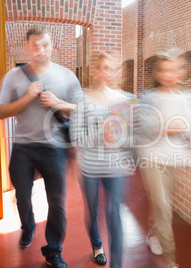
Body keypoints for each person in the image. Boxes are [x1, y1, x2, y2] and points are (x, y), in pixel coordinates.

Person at [0, 26, 82, 268]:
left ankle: (53, 251)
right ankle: (28, 225)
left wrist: (58, 102)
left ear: (51, 45)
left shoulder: (66, 75)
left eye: (45, 44)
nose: (41, 50)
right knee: (22, 198)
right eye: (35, 45)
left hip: (54, 148)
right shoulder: (14, 76)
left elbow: (82, 108)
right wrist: (26, 97)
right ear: (28, 47)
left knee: (57, 202)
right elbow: (1, 112)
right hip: (23, 147)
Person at [136, 50, 191, 268]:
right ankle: (170, 259)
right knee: (163, 206)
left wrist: (167, 124)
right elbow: (148, 127)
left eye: (174, 69)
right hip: (151, 157)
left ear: (182, 72)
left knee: (162, 203)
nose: (169, 74)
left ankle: (153, 233)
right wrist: (181, 125)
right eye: (164, 70)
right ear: (158, 73)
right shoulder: (148, 97)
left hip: (176, 158)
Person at [70, 52, 134, 268]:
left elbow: (127, 137)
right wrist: (101, 134)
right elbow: (76, 138)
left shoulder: (122, 99)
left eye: (110, 68)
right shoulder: (83, 100)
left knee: (114, 213)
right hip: (90, 169)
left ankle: (117, 264)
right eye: (101, 68)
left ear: (115, 72)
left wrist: (118, 139)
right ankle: (97, 245)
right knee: (93, 211)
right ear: (94, 71)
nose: (105, 72)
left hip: (115, 168)